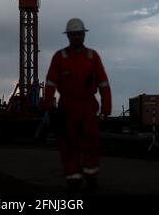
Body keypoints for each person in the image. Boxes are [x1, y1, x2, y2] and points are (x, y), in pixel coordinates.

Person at [44, 18, 112, 192]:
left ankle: (91, 176)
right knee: (68, 145)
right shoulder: (60, 57)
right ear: (68, 36)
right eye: (72, 34)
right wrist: (49, 106)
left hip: (88, 107)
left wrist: (106, 107)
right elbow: (50, 83)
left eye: (78, 34)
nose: (75, 37)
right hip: (67, 108)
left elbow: (103, 83)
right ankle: (73, 178)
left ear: (83, 35)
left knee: (91, 144)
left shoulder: (92, 57)